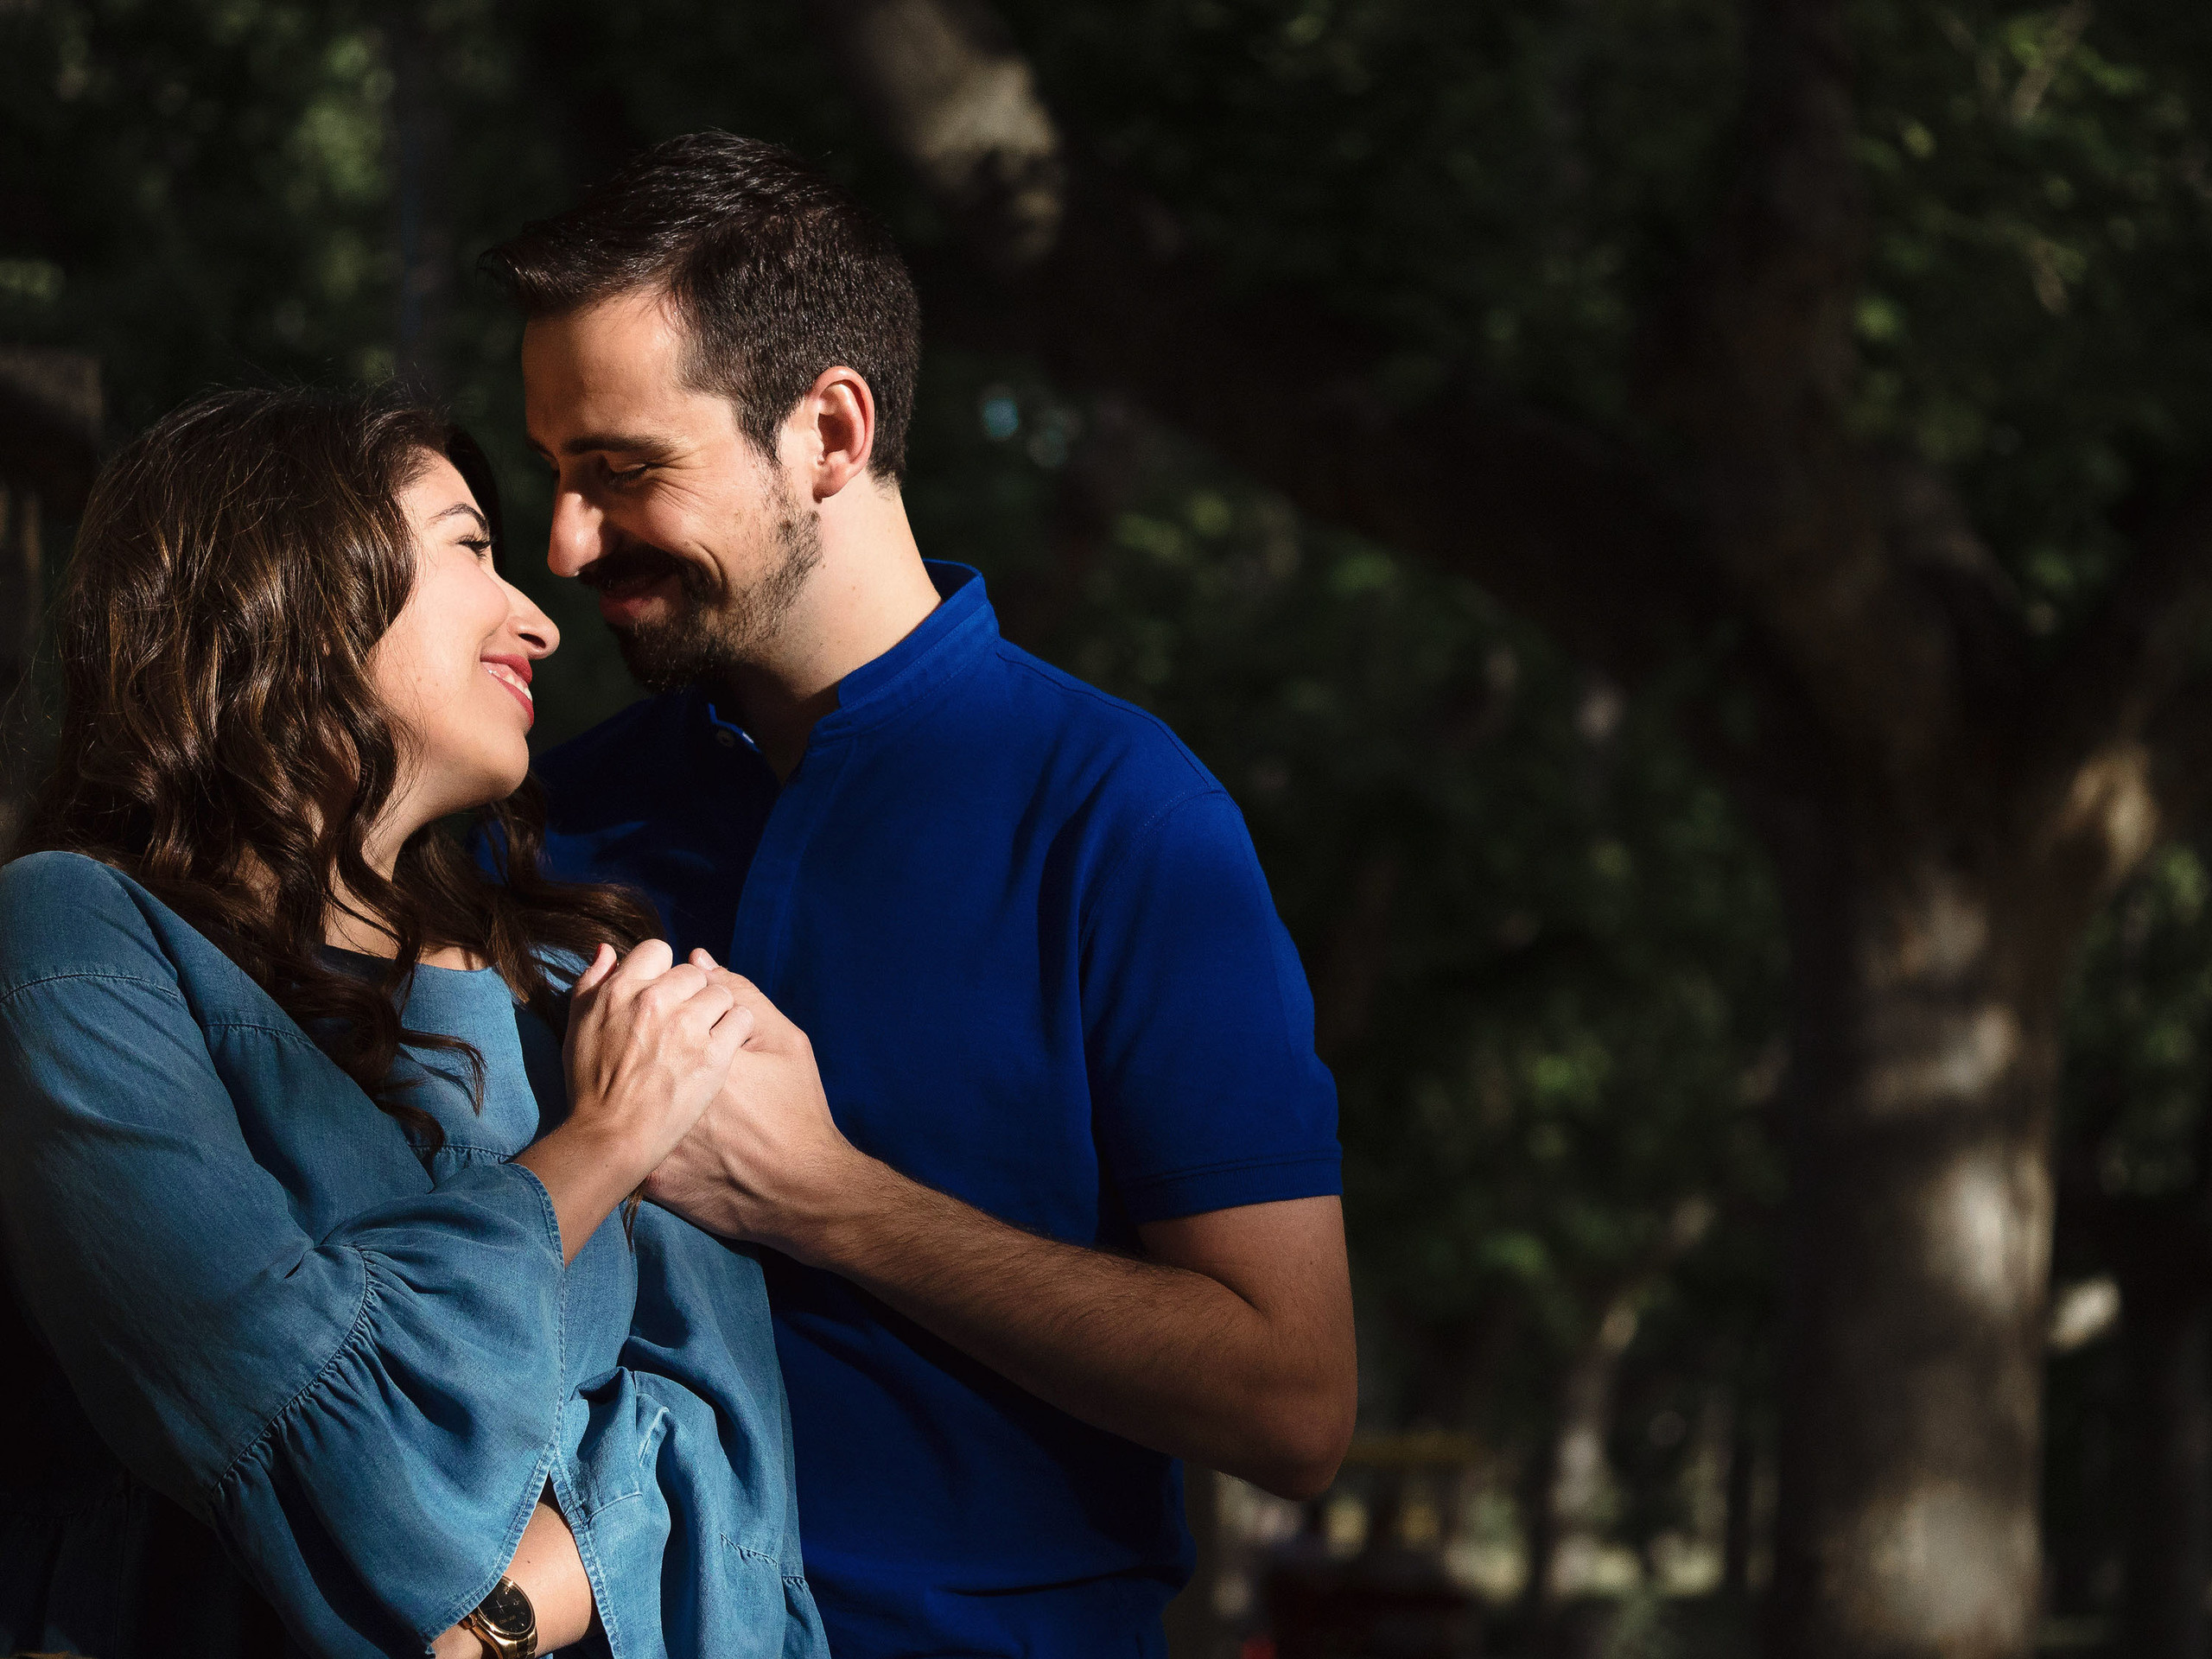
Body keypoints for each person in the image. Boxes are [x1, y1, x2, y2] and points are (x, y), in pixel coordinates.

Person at [481, 130, 1359, 1658]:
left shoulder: (1126, 817)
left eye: (620, 472)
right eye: (557, 478)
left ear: (829, 429)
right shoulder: (557, 813)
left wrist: (833, 1202)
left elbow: (1293, 1401)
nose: (564, 545)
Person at [0, 388, 830, 1659]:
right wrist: (598, 1147)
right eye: (469, 546)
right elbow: (351, 1475)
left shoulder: (574, 989)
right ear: (292, 573)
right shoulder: (73, 945)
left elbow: (732, 1466)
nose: (543, 621)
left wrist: (492, 1623)